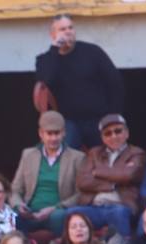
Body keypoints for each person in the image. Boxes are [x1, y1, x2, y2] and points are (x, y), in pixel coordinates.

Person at [32, 15, 122, 151]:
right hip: (68, 121)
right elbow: (46, 81)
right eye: (62, 29)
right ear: (53, 35)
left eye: (70, 28)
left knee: (106, 157)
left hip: (98, 118)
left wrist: (113, 115)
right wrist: (55, 50)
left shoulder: (93, 52)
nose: (68, 31)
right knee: (64, 157)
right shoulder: (45, 59)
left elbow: (115, 82)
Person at [68, 113, 145, 240]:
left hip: (121, 205)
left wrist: (97, 172)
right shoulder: (94, 153)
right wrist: (113, 183)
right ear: (102, 138)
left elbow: (129, 175)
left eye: (118, 131)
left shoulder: (136, 153)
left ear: (127, 133)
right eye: (108, 133)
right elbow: (82, 181)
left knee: (118, 213)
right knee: (71, 214)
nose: (113, 136)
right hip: (94, 206)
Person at [9, 111, 84, 237]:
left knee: (59, 217)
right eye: (49, 134)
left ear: (64, 133)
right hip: (30, 212)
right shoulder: (28, 155)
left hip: (57, 212)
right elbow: (15, 189)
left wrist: (55, 208)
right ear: (41, 134)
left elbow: (80, 193)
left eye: (57, 133)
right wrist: (19, 205)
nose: (53, 138)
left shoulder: (77, 157)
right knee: (12, 217)